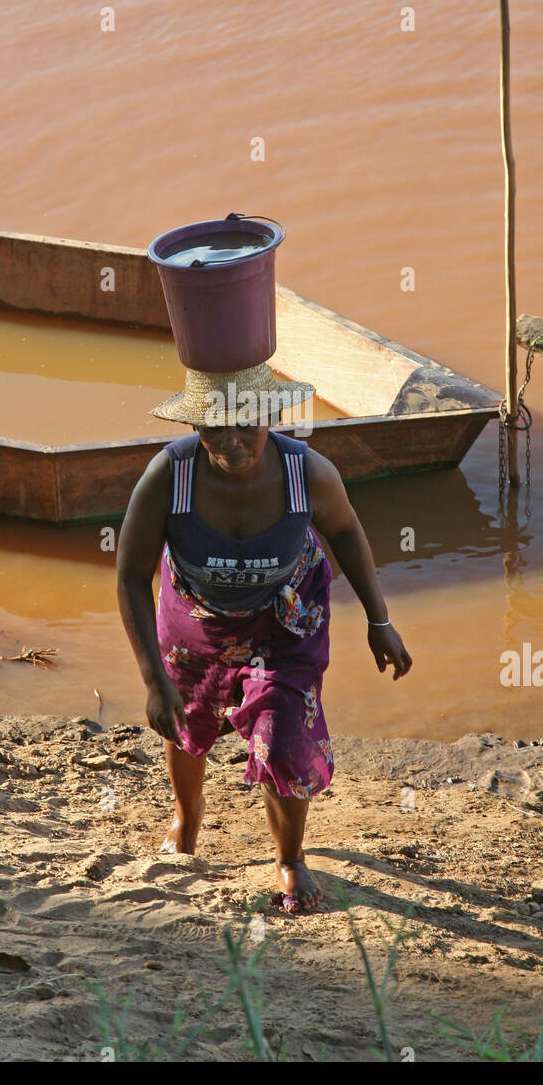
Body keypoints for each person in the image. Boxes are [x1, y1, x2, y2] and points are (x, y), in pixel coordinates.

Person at [116, 361, 412, 915]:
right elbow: (131, 576)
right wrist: (154, 682)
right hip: (195, 619)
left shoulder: (307, 473)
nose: (230, 441)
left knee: (282, 733)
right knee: (188, 721)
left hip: (286, 618)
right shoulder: (169, 476)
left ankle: (290, 859)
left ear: (269, 417)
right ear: (196, 427)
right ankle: (186, 815)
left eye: (244, 424)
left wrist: (379, 620)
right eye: (214, 427)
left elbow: (346, 529)